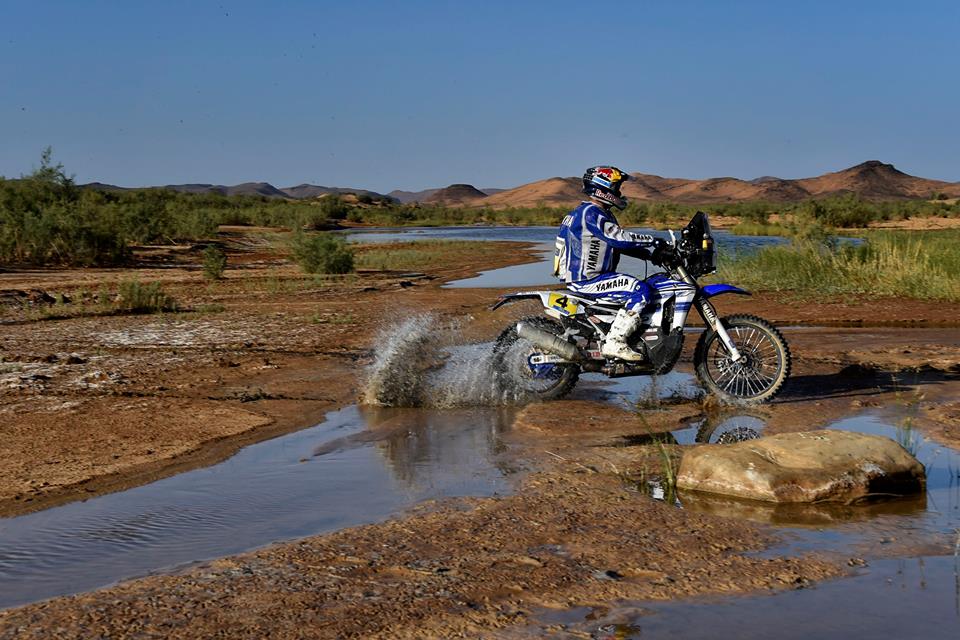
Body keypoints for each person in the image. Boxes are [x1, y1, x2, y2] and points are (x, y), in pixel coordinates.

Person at [553, 165, 671, 361]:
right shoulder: (590, 212)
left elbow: (619, 245)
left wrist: (651, 255)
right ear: (603, 187)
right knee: (640, 291)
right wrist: (653, 240)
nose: (619, 192)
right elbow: (618, 238)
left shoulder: (597, 213)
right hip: (588, 279)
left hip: (593, 277)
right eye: (616, 187)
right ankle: (615, 342)